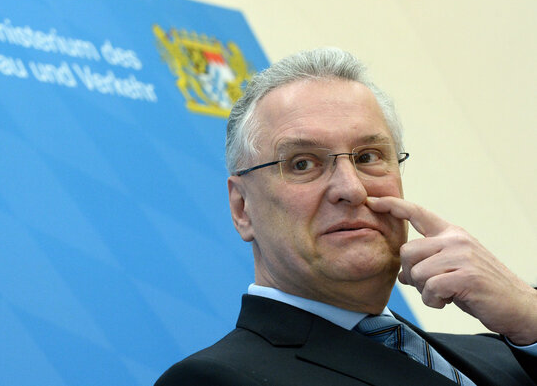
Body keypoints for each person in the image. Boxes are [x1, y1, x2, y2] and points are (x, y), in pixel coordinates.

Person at [154, 48, 537, 386]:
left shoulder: (509, 351)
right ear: (242, 209)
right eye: (303, 164)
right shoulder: (215, 378)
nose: (351, 189)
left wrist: (529, 315)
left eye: (368, 156)